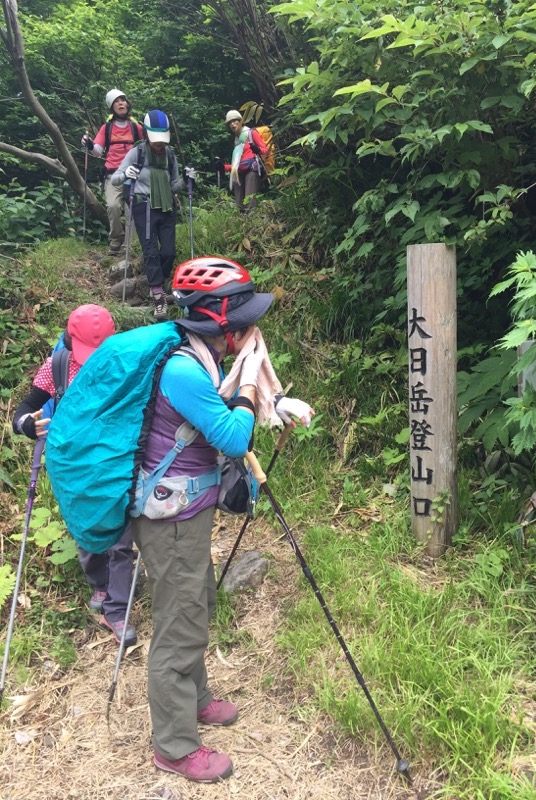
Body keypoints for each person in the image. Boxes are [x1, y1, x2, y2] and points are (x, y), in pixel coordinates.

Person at [131, 256, 314, 783]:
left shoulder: (201, 356)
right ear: (217, 321)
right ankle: (174, 744)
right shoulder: (185, 370)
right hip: (168, 518)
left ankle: (197, 699)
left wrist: (261, 398)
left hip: (186, 511)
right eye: (243, 320)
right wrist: (248, 391)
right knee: (179, 623)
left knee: (198, 601)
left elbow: (223, 421)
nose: (251, 330)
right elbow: (233, 437)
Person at [12, 304, 137, 648]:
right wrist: (26, 424)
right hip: (72, 468)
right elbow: (26, 408)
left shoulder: (123, 363)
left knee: (120, 539)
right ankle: (100, 583)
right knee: (86, 535)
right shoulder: (59, 365)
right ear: (69, 338)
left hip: (115, 461)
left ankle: (117, 609)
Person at [111, 109, 196, 319]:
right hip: (144, 205)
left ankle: (159, 282)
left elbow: (174, 185)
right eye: (156, 139)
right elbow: (115, 179)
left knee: (168, 251)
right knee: (150, 250)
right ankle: (158, 294)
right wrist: (126, 174)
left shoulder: (169, 155)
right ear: (146, 134)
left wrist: (186, 181)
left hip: (166, 206)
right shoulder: (136, 153)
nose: (160, 144)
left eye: (163, 139)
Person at [81, 89, 145, 255]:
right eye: (117, 101)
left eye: (123, 100)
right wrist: (89, 144)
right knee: (113, 206)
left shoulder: (134, 126)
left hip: (133, 174)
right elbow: (98, 151)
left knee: (133, 209)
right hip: (112, 174)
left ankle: (131, 245)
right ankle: (116, 239)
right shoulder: (107, 128)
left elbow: (148, 142)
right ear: (112, 107)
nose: (121, 103)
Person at [221, 109, 269, 212]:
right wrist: (223, 167)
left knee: (250, 203)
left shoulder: (251, 133)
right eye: (230, 123)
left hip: (251, 170)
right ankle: (243, 227)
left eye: (234, 121)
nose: (232, 124)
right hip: (238, 172)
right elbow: (236, 165)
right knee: (239, 206)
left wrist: (257, 149)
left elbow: (265, 150)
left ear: (240, 120)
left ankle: (254, 225)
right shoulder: (236, 141)